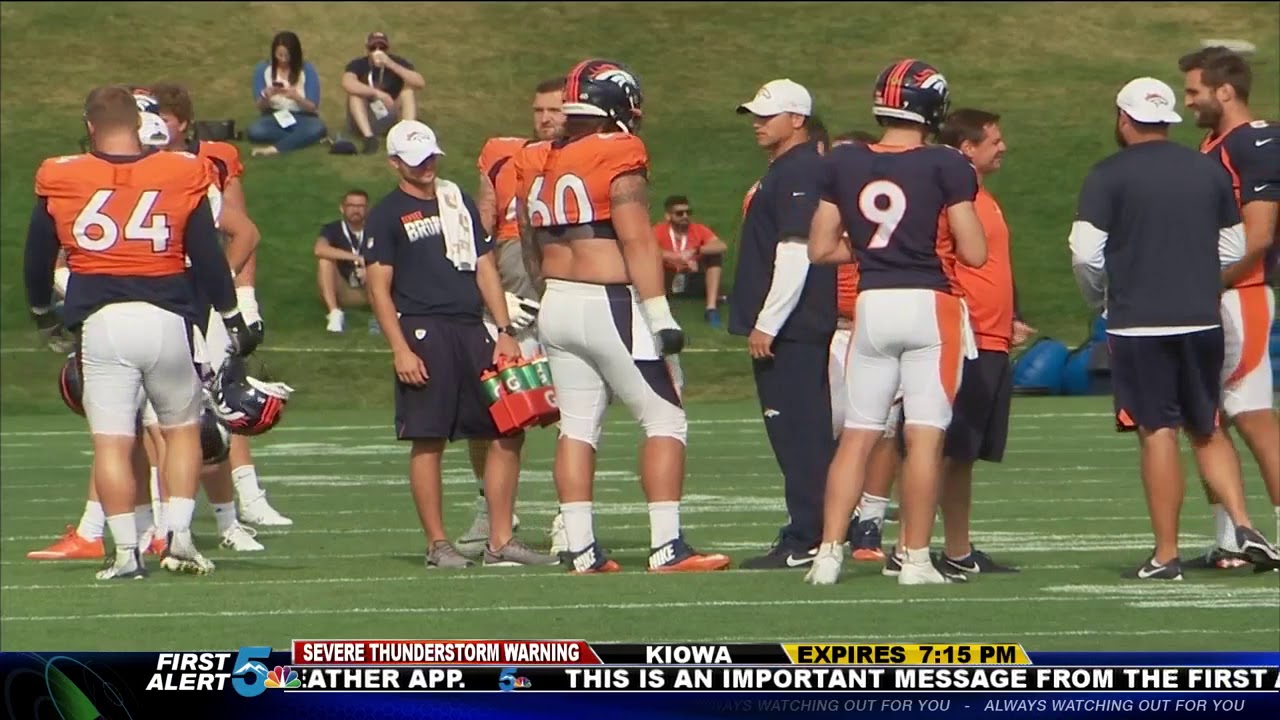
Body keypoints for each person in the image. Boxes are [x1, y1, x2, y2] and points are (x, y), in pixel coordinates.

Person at [23, 85, 258, 579]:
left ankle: (127, 553)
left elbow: (37, 255)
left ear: (90, 125)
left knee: (111, 443)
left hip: (103, 323)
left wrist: (43, 310)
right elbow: (208, 254)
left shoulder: (61, 175)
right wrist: (232, 313)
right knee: (180, 432)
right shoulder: (178, 171)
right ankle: (181, 538)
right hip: (168, 316)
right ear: (137, 122)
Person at [514, 58, 730, 574]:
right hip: (608, 302)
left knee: (577, 428)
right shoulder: (619, 150)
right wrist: (659, 314)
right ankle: (667, 545)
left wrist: (545, 294)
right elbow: (635, 239)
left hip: (557, 300)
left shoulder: (536, 156)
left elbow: (526, 239)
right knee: (665, 418)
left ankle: (581, 549)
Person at [1068, 77, 1279, 579]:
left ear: (1123, 118)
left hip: (1140, 321)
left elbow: (1084, 253)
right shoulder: (1204, 170)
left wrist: (1099, 295)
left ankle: (1165, 555)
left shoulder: (1108, 173)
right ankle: (1244, 524)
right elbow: (1234, 247)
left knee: (1158, 432)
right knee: (1206, 427)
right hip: (1203, 316)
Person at [806, 59, 988, 587]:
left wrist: (869, 248)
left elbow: (820, 248)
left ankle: (827, 554)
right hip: (929, 303)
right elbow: (973, 251)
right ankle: (914, 558)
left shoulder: (844, 162)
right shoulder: (946, 164)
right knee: (926, 436)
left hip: (871, 303)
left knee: (858, 435)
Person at [365, 119, 555, 569]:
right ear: (395, 163)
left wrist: (505, 330)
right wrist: (400, 348)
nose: (427, 166)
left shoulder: (457, 200)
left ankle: (501, 538)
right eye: (416, 160)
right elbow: (378, 288)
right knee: (428, 438)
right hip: (422, 329)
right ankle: (437, 544)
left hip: (474, 327)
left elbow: (485, 266)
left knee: (506, 428)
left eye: (431, 156)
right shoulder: (387, 213)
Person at [150, 83, 290, 528]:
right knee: (152, 414)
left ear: (183, 122)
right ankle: (154, 520)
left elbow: (242, 230)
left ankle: (243, 502)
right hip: (153, 298)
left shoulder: (209, 162)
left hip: (199, 299)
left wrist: (234, 291)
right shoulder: (130, 166)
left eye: (163, 118)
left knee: (219, 398)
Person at [729, 78, 837, 570]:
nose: (757, 122)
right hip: (790, 325)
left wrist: (768, 323)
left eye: (767, 115)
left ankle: (810, 533)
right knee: (793, 432)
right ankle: (809, 528)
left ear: (797, 119)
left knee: (800, 433)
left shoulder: (801, 171)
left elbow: (796, 253)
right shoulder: (786, 169)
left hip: (794, 327)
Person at [1178, 47, 1280, 567]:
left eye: (1195, 90)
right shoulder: (1214, 143)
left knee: (1251, 414)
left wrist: (1209, 285)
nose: (1188, 100)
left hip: (1239, 294)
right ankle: (1229, 541)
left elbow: (1259, 235)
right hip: (1218, 295)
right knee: (1209, 415)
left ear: (1225, 90)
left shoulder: (1255, 140)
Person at [456, 77, 566, 555]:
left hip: (564, 284)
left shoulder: (587, 156)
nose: (545, 118)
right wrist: (492, 290)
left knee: (572, 409)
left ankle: (570, 514)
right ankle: (491, 506)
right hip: (509, 286)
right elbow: (484, 224)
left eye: (555, 110)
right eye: (538, 109)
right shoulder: (501, 154)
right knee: (495, 404)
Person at [934, 108, 1023, 574]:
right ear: (966, 148)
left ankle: (957, 548)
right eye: (994, 140)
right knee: (948, 448)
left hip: (991, 336)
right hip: (966, 337)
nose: (1002, 147)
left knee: (964, 452)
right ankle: (927, 547)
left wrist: (1013, 315)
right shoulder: (951, 195)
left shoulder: (980, 195)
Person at [342, 32, 425, 154]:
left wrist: (391, 64)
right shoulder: (358, 64)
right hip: (366, 116)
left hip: (389, 112)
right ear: (367, 49)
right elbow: (347, 83)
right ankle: (369, 139)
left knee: (408, 91)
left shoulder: (397, 62)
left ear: (388, 49)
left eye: (382, 48)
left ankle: (408, 135)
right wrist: (377, 93)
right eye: (373, 48)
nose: (377, 51)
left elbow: (420, 82)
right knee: (355, 95)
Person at [248, 31, 327, 157]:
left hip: (303, 117)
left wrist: (296, 98)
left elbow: (313, 107)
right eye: (280, 55)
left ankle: (274, 149)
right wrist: (266, 96)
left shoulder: (307, 69)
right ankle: (301, 138)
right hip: (274, 116)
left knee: (317, 127)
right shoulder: (263, 69)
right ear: (274, 53)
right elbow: (260, 106)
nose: (283, 60)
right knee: (255, 130)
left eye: (287, 56)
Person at [653, 195, 728, 327]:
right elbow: (645, 251)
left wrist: (696, 251)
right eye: (679, 213)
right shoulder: (658, 231)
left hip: (691, 277)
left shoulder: (698, 229)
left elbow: (721, 245)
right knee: (650, 260)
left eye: (688, 212)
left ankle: (711, 308)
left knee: (715, 256)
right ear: (668, 216)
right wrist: (672, 256)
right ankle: (655, 305)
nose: (685, 216)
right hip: (667, 278)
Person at [316, 189, 371, 332]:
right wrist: (357, 258)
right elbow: (319, 249)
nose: (356, 210)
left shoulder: (377, 228)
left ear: (368, 209)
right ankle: (334, 314)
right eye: (351, 206)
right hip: (344, 289)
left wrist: (370, 269)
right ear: (342, 208)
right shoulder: (333, 229)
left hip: (371, 288)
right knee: (325, 261)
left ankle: (390, 312)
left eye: (361, 206)